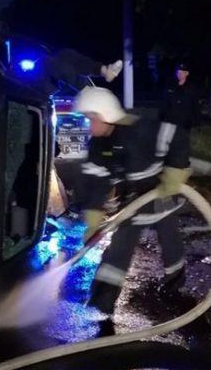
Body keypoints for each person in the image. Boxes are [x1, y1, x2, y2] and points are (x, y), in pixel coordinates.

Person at [73, 86, 191, 318]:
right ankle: (101, 302)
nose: (90, 125)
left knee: (171, 243)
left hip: (161, 193)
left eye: (92, 119)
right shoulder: (98, 145)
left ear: (107, 116)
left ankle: (174, 288)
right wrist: (93, 220)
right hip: (133, 203)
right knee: (119, 248)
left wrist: (175, 172)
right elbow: (95, 183)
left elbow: (178, 135)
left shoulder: (141, 130)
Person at [158, 61, 201, 164]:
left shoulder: (192, 88)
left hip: (184, 122)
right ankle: (168, 161)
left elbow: (195, 105)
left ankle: (183, 162)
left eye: (183, 72)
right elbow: (164, 104)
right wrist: (161, 117)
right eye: (179, 71)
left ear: (187, 73)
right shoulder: (170, 86)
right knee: (169, 142)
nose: (180, 74)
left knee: (182, 143)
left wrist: (196, 121)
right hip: (170, 120)